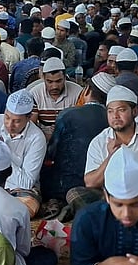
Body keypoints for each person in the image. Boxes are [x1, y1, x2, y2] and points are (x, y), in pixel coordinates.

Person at [72, 85, 138, 214]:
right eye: (110, 111)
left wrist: (125, 193)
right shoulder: (99, 141)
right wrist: (111, 156)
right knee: (74, 194)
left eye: (121, 110)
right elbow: (90, 183)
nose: (115, 116)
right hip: (108, 198)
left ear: (135, 111)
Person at [43, 74, 109, 212]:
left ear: (86, 90)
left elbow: (51, 152)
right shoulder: (113, 119)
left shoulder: (67, 114)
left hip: (65, 186)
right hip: (101, 184)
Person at [24, 55, 82, 135]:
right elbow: (31, 127)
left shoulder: (78, 92)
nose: (54, 86)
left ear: (65, 77)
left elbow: (81, 122)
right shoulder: (34, 94)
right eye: (50, 82)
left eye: (58, 81)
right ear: (43, 78)